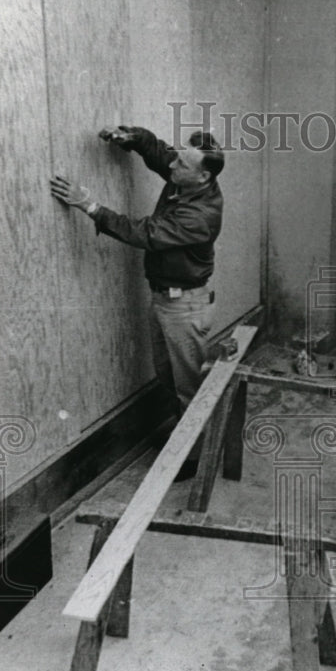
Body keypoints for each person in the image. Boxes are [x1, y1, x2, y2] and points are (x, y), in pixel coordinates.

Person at [50, 127, 225, 479]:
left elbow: (144, 233)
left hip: (184, 307)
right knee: (168, 375)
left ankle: (194, 460)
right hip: (165, 299)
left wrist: (90, 205)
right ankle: (187, 438)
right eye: (177, 156)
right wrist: (133, 137)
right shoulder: (187, 176)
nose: (172, 165)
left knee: (189, 385)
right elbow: (160, 153)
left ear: (202, 175)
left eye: (181, 163)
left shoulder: (200, 215)